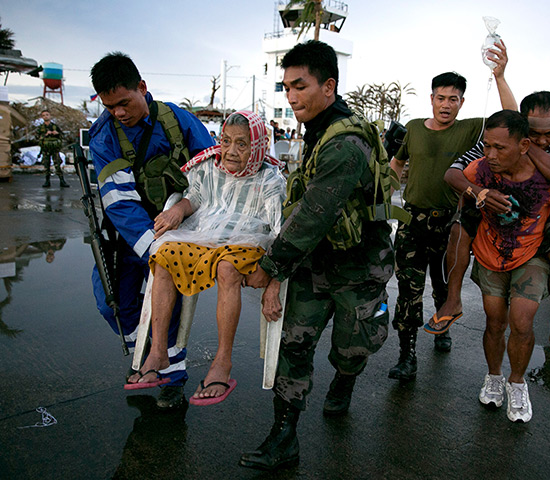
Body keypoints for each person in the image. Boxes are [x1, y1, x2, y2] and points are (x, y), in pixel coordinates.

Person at [239, 40, 396, 471]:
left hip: (358, 268)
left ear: (328, 86)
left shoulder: (344, 141)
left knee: (353, 348)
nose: (291, 97)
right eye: (286, 86)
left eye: (300, 86)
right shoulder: (317, 131)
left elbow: (313, 214)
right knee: (294, 345)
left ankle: (345, 379)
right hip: (314, 265)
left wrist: (269, 268)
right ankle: (284, 438)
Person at [435, 41, 550, 357]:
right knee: (458, 230)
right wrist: (479, 192)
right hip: (493, 204)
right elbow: (454, 173)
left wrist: (527, 145)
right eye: (534, 132)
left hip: (543, 208)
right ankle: (452, 299)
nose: (544, 139)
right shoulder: (499, 143)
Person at [126, 111, 285, 405]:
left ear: (258, 145)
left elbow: (277, 229)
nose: (231, 151)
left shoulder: (269, 178)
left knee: (227, 268)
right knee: (164, 255)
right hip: (206, 232)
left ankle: (222, 362)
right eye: (225, 141)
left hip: (248, 237)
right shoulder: (208, 166)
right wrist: (179, 210)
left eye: (242, 144)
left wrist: (274, 281)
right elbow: (195, 197)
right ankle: (159, 351)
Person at [88, 52, 214, 408]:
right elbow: (120, 202)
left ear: (142, 87)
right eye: (110, 107)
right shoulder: (103, 137)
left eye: (125, 103)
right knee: (111, 301)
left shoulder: (179, 121)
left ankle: (172, 376)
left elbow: (211, 178)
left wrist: (181, 213)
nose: (120, 113)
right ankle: (144, 354)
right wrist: (151, 249)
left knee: (166, 299)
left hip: (183, 225)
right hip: (131, 234)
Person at [465, 110, 550, 422]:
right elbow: (457, 179)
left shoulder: (545, 177)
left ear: (524, 145)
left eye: (500, 148)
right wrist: (478, 193)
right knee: (494, 322)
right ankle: (494, 377)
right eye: (487, 146)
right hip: (491, 255)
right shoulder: (483, 169)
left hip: (530, 257)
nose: (491, 154)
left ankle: (517, 383)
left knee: (523, 321)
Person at [387, 71, 483, 381]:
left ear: (461, 102)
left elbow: (510, 118)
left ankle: (443, 328)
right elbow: (397, 162)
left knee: (444, 285)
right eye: (440, 98)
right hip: (412, 222)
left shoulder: (469, 129)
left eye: (452, 100)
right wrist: (385, 192)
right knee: (408, 291)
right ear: (431, 99)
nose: (445, 105)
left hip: (449, 224)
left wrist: (500, 74)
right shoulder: (414, 128)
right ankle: (407, 356)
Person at [36, 110, 69, 188]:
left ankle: (62, 181)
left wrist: (57, 133)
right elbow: (37, 137)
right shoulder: (41, 127)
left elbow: (62, 135)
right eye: (44, 115)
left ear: (50, 116)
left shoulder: (55, 126)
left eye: (47, 115)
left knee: (57, 165)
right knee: (46, 165)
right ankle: (47, 181)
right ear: (42, 117)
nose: (45, 116)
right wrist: (45, 135)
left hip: (55, 149)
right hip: (46, 149)